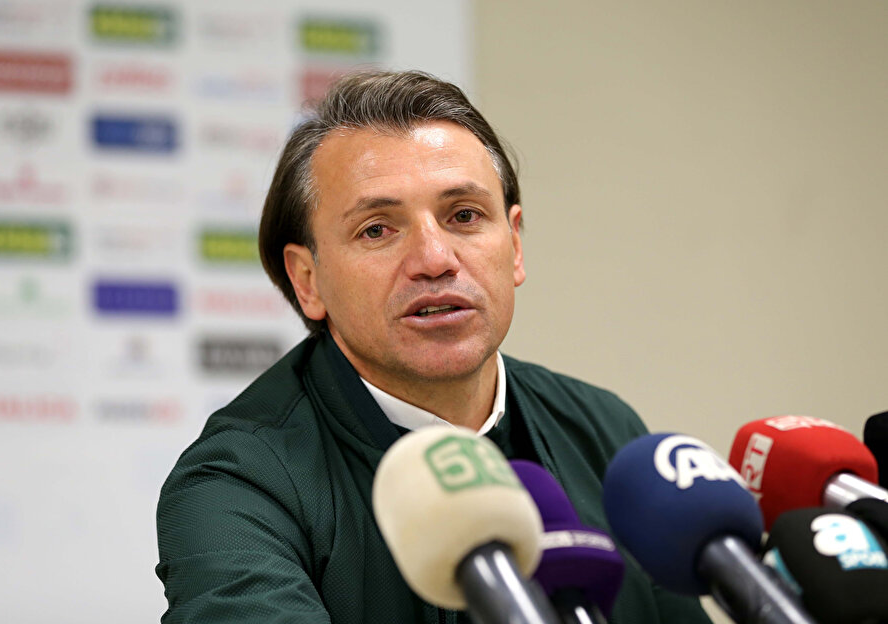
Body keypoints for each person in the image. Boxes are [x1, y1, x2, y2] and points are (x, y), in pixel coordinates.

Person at [156, 70, 713, 624]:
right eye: (378, 229)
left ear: (515, 246)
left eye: (464, 216)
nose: (434, 259)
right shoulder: (235, 485)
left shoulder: (605, 433)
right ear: (308, 280)